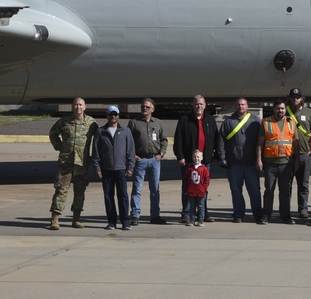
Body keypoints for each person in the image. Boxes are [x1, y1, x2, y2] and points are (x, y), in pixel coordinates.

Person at [47, 97, 98, 230]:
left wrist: (95, 157)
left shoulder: (91, 123)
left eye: (80, 105)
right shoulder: (64, 122)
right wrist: (59, 147)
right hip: (66, 163)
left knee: (80, 191)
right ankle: (55, 219)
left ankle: (76, 218)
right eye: (75, 105)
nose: (78, 107)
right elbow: (53, 134)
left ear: (85, 107)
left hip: (82, 164)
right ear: (72, 107)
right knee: (61, 190)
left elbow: (99, 141)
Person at [173, 95, 220, 224]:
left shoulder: (210, 120)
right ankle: (186, 214)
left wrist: (216, 156)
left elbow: (216, 139)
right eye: (196, 104)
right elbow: (178, 139)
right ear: (193, 106)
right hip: (189, 161)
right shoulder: (184, 120)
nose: (199, 106)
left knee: (203, 188)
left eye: (201, 104)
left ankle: (203, 214)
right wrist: (180, 156)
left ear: (205, 105)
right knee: (187, 188)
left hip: (205, 162)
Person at [217, 97, 262, 223]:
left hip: (251, 163)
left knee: (254, 190)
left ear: (247, 106)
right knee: (236, 190)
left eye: (243, 105)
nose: (240, 107)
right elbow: (221, 140)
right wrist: (222, 157)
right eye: (238, 105)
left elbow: (261, 140)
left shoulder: (255, 121)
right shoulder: (228, 122)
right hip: (234, 163)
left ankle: (257, 214)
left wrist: (260, 159)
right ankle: (238, 214)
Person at [92, 105, 136, 230]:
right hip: (106, 169)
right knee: (108, 196)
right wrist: (97, 168)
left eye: (115, 114)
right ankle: (111, 221)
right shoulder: (101, 132)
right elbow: (96, 152)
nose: (113, 117)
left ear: (118, 116)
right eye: (111, 114)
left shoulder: (126, 131)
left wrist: (130, 167)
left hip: (121, 169)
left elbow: (131, 152)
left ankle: (125, 221)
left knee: (123, 195)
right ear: (107, 116)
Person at [256, 99, 299, 225]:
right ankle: (266, 215)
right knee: (269, 190)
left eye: (282, 108)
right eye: (278, 108)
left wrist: (296, 160)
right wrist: (258, 159)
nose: (280, 111)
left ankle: (285, 215)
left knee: (285, 190)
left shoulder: (291, 122)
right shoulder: (266, 122)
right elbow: (260, 143)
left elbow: (295, 143)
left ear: (285, 109)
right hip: (270, 163)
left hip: (286, 163)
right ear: (274, 109)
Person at [127, 98, 168, 226]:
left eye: (147, 107)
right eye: (143, 107)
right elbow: (128, 140)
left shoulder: (158, 123)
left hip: (154, 160)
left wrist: (161, 153)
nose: (144, 109)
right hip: (140, 160)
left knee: (155, 189)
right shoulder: (134, 123)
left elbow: (164, 140)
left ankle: (155, 215)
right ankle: (135, 215)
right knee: (137, 189)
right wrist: (132, 155)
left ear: (152, 110)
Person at [286, 88, 311, 219]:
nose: (295, 99)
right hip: (288, 155)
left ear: (302, 99)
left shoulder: (309, 112)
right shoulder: (284, 112)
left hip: (305, 153)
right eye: (293, 97)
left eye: (298, 97)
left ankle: (303, 209)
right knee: (286, 185)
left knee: (303, 184)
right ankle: (285, 209)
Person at [183, 149, 210, 227]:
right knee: (192, 206)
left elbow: (207, 179)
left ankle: (200, 220)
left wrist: (204, 188)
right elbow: (186, 179)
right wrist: (188, 187)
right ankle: (192, 220)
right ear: (192, 157)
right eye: (195, 157)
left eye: (198, 157)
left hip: (201, 192)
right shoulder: (189, 168)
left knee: (201, 206)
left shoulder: (204, 169)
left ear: (201, 158)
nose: (196, 159)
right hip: (192, 191)